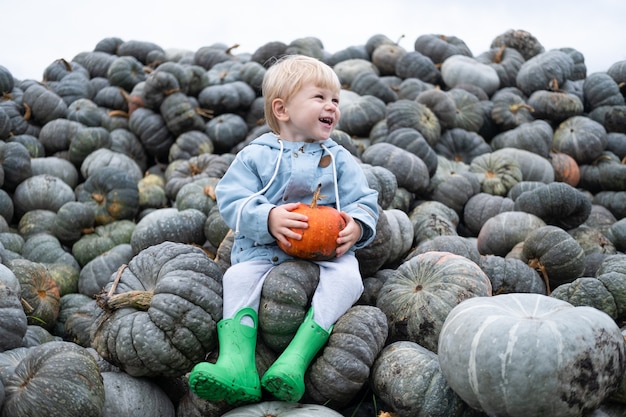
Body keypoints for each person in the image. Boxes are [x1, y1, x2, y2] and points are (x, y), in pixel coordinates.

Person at [188, 54, 379, 405]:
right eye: (320, 97)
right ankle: (236, 364)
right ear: (282, 109)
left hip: (326, 252)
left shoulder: (339, 158)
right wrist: (268, 218)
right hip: (263, 248)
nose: (332, 106)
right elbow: (231, 198)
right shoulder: (256, 155)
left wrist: (358, 225)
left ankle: (296, 358)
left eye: (335, 100)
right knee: (236, 278)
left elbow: (363, 199)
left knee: (350, 279)